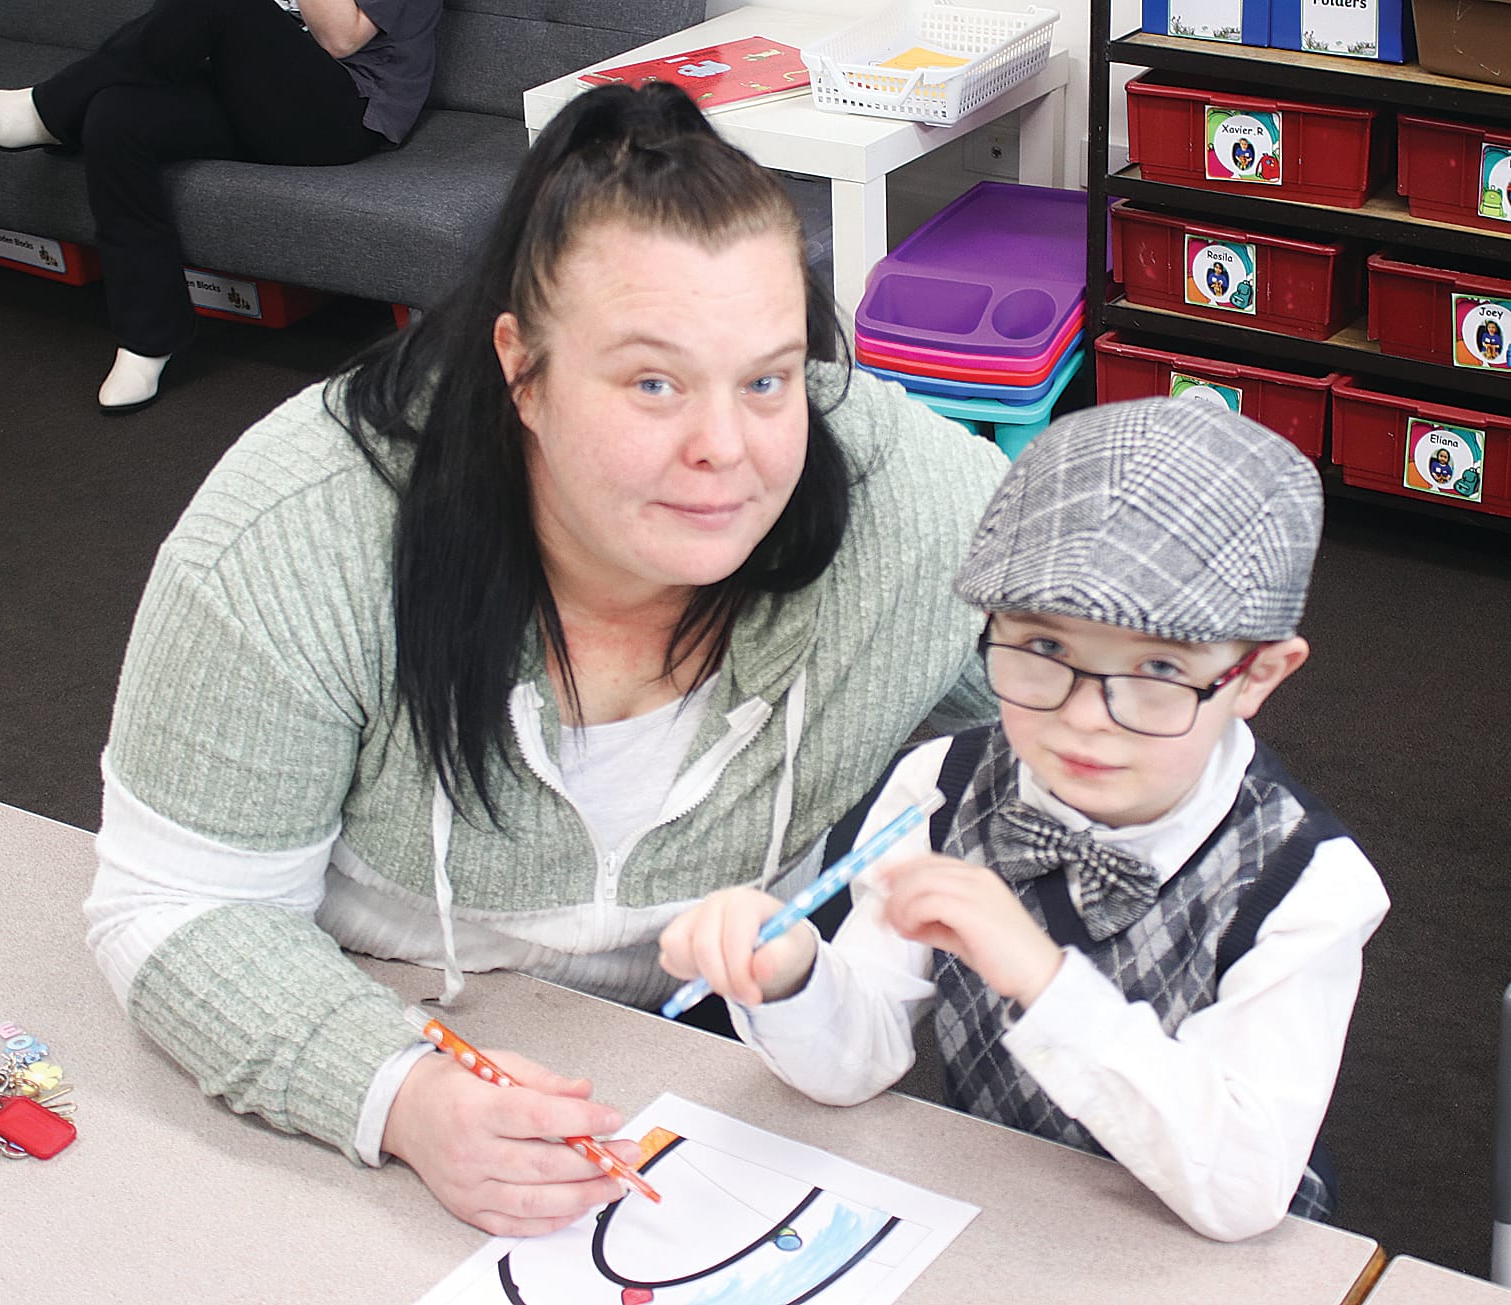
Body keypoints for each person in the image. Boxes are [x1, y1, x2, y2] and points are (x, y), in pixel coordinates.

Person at [82, 82, 1008, 1237]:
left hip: (753, 1045)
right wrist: (397, 1095)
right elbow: (176, 905)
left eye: (767, 379)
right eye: (654, 383)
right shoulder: (302, 528)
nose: (725, 448)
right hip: (392, 1008)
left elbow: (1083, 730)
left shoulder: (912, 501)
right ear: (521, 369)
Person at [659, 398, 1391, 1243]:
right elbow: (857, 1058)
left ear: (1258, 673)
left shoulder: (1307, 886)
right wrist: (793, 973)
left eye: (1159, 667)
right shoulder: (942, 787)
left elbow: (1242, 1191)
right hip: (1002, 1216)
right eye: (1044, 649)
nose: (1084, 718)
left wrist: (1044, 980)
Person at [0, 0, 442, 410]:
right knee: (116, 115)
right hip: (252, 87)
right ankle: (149, 338)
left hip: (344, 112)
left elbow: (341, 38)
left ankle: (45, 110)